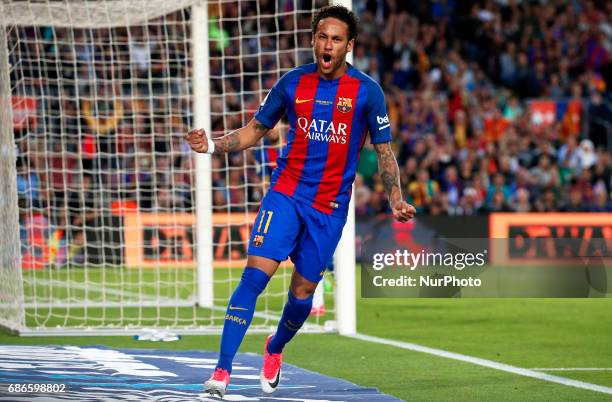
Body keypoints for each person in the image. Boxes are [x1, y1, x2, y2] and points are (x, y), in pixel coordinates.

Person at [185, 5, 415, 398]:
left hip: (328, 208)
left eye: (336, 39)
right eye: (322, 37)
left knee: (303, 293)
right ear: (313, 40)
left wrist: (395, 196)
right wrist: (212, 146)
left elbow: (384, 151)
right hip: (286, 194)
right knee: (253, 276)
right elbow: (254, 131)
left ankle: (274, 348)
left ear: (349, 46)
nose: (328, 45)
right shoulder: (292, 83)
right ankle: (222, 371)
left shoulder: (367, 92)